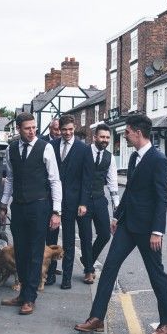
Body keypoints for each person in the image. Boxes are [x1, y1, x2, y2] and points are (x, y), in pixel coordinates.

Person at [74, 114, 167, 334]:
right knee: (109, 267)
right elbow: (130, 191)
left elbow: (162, 198)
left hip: (148, 230)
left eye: (127, 132)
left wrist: (157, 231)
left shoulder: (158, 160)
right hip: (127, 226)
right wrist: (117, 216)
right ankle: (97, 318)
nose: (125, 136)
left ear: (138, 133)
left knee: (156, 274)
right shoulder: (133, 158)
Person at [0, 112, 61, 315]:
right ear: (18, 129)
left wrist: (56, 211)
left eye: (34, 127)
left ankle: (30, 298)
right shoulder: (11, 149)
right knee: (21, 253)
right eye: (28, 128)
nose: (32, 131)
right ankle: (23, 294)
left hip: (39, 207)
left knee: (35, 253)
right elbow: (10, 180)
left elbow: (54, 181)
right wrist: (3, 205)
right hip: (19, 207)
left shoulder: (46, 148)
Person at [48, 114, 94, 289]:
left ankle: (66, 278)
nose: (67, 133)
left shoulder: (84, 149)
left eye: (70, 130)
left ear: (74, 129)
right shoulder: (51, 146)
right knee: (51, 239)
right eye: (64, 130)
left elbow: (87, 179)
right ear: (59, 129)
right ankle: (51, 274)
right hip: (53, 201)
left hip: (73, 203)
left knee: (68, 241)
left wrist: (83, 202)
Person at [82, 123, 120, 284]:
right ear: (94, 137)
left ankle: (87, 258)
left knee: (105, 234)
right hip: (83, 201)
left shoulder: (109, 157)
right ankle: (89, 270)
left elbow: (113, 183)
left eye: (107, 138)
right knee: (86, 236)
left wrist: (116, 208)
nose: (105, 140)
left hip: (99, 200)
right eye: (102, 137)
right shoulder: (84, 152)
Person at [43, 117, 62, 278]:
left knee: (52, 235)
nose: (58, 133)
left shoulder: (63, 144)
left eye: (59, 130)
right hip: (42, 196)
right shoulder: (42, 143)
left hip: (56, 196)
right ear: (50, 129)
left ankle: (51, 270)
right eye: (56, 129)